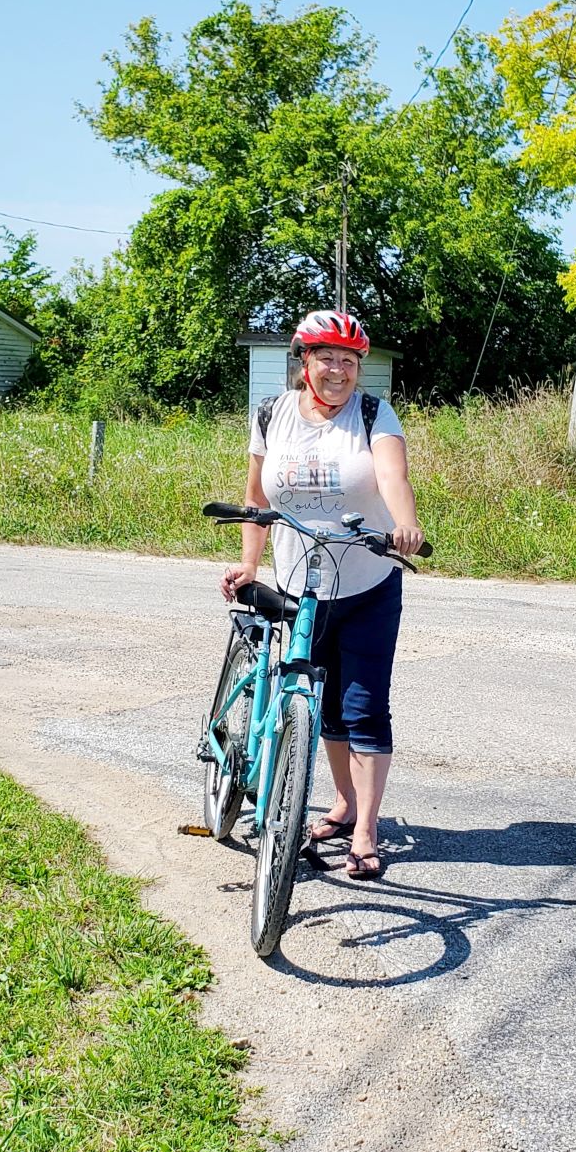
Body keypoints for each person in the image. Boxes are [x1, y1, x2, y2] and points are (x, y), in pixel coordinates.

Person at [220, 309, 424, 880]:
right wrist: (248, 563)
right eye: (327, 358)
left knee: (363, 708)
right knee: (323, 704)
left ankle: (364, 829)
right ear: (304, 362)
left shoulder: (373, 413)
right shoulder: (272, 415)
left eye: (350, 360)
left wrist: (405, 524)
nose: (339, 369)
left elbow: (392, 477)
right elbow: (257, 496)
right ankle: (342, 801)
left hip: (365, 581)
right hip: (299, 581)